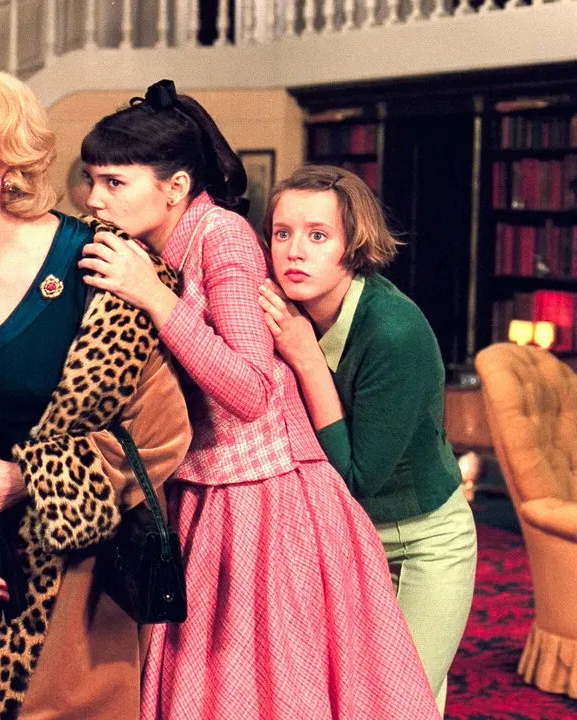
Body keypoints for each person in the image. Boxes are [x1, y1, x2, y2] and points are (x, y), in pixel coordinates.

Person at [78, 79, 440, 719]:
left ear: (175, 187)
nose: (93, 199)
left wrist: (155, 299)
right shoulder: (152, 243)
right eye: (91, 180)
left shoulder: (222, 237)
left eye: (113, 182)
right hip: (203, 487)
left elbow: (250, 390)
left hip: (264, 499)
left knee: (261, 691)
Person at [0, 68, 191, 719]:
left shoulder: (101, 264)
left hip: (82, 586)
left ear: (9, 156)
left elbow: (160, 434)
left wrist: (28, 481)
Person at [258, 164, 478, 715]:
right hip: (339, 541)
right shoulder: (282, 308)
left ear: (353, 246)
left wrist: (307, 360)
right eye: (282, 233)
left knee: (401, 702)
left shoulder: (393, 330)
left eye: (318, 235)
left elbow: (354, 480)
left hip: (422, 541)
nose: (295, 252)